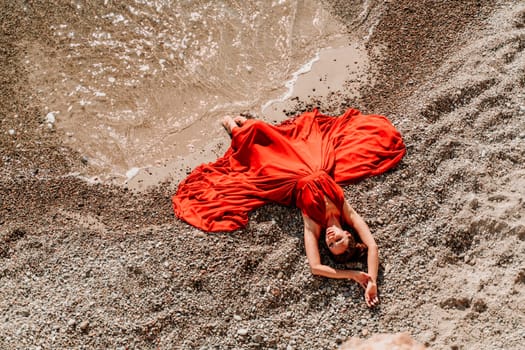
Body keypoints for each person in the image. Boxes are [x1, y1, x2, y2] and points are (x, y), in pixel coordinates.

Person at [173, 109, 406, 308]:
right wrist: (372, 279)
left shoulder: (313, 224)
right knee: (275, 134)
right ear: (348, 234)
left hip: (287, 179)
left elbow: (316, 267)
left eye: (330, 245)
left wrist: (353, 275)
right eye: (338, 241)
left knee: (256, 150)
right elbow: (372, 245)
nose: (331, 239)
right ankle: (246, 124)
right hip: (312, 163)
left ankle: (234, 127)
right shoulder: (346, 212)